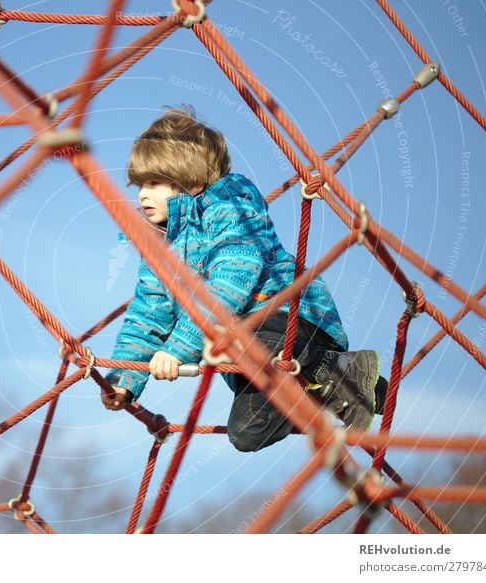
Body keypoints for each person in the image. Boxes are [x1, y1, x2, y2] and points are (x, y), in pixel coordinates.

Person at [103, 106, 387, 452]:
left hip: (287, 323)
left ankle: (327, 365)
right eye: (139, 185)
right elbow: (147, 317)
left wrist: (177, 349)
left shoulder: (227, 204)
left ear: (191, 180)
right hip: (242, 357)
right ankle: (347, 386)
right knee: (247, 433)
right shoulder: (159, 253)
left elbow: (233, 275)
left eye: (154, 182)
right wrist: (124, 381)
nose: (142, 194)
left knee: (245, 342)